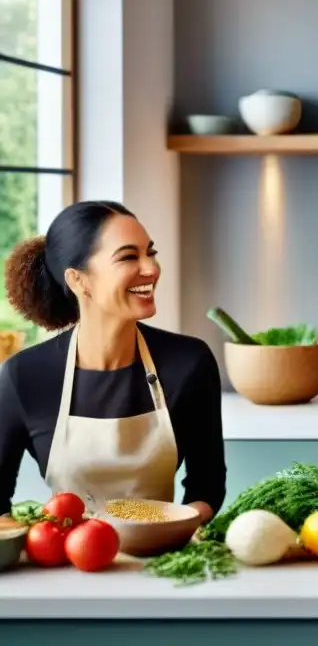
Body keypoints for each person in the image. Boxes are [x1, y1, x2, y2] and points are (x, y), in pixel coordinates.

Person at [0, 201, 226, 520]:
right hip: (66, 561)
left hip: (159, 558)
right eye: (129, 257)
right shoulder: (25, 375)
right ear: (78, 280)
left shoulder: (189, 363)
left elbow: (207, 486)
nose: (151, 268)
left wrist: (174, 530)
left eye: (151, 253)